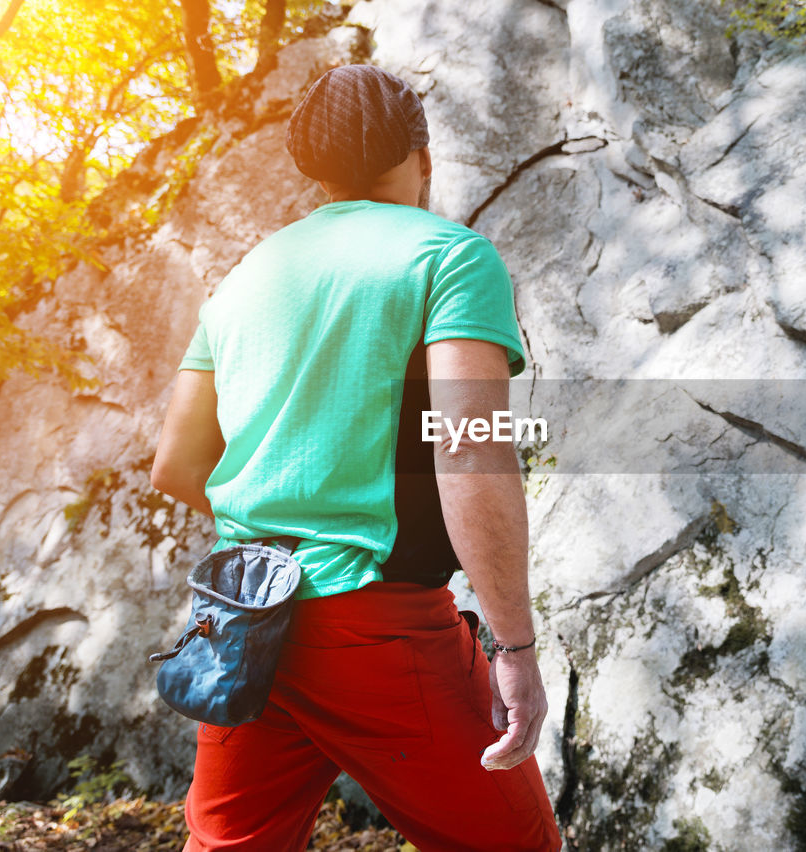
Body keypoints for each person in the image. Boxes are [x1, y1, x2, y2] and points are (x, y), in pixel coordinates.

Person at [150, 64, 561, 852]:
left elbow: (175, 463)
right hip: (379, 626)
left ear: (315, 167)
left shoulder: (243, 279)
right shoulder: (449, 256)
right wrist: (515, 649)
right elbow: (472, 455)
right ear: (423, 157)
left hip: (243, 620)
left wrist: (283, 528)